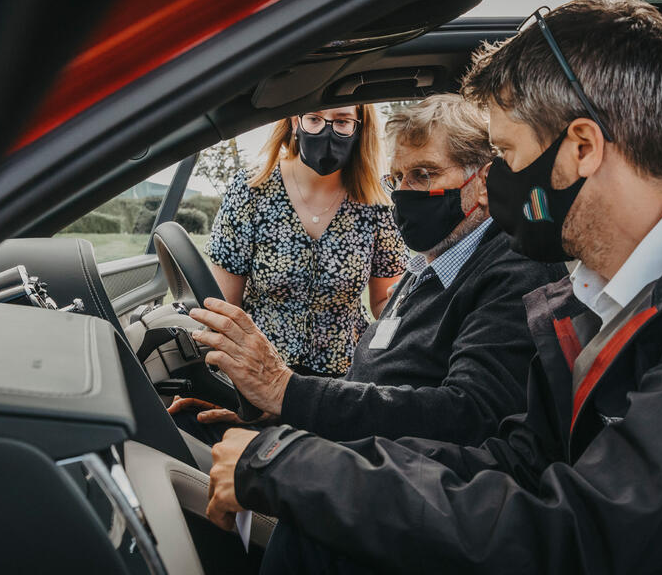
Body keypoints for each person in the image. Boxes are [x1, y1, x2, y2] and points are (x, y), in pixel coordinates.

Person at [204, 0, 662, 574]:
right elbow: (514, 464)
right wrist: (303, 460)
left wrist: (295, 469)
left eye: (508, 156)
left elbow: (581, 536)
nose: (492, 189)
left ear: (581, 148)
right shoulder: (599, 297)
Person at [181, 94, 565, 446]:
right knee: (190, 426)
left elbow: (467, 416)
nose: (403, 195)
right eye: (397, 179)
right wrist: (281, 414)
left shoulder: (513, 275)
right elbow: (377, 383)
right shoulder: (433, 263)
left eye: (423, 175)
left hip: (372, 472)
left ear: (483, 182)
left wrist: (288, 394)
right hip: (336, 432)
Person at [205, 105, 407, 378]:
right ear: (294, 121)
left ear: (360, 128)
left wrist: (412, 321)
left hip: (344, 379)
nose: (327, 131)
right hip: (260, 371)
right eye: (314, 119)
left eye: (343, 121)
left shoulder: (378, 200)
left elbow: (385, 300)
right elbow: (225, 307)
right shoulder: (251, 189)